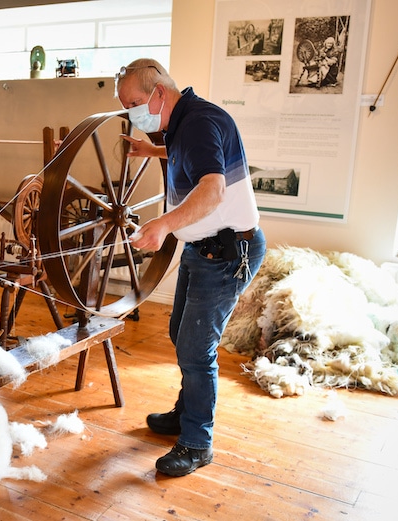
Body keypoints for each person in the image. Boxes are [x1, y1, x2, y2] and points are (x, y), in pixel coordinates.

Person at [114, 58, 266, 476]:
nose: (132, 114)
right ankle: (186, 412)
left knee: (196, 349)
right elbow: (192, 155)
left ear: (159, 93)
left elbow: (213, 190)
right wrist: (153, 150)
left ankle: (198, 442)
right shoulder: (184, 122)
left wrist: (163, 224)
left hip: (227, 253)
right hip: (205, 249)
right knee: (181, 332)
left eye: (134, 103)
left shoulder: (198, 122)